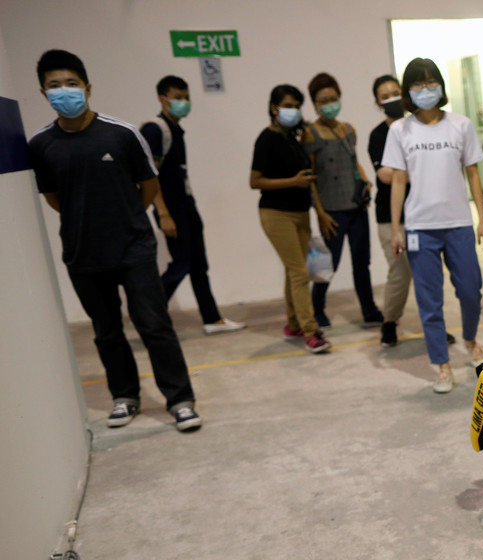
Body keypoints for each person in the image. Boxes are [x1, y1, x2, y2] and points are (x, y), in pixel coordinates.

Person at [27, 50, 201, 431]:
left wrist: (125, 219)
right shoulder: (40, 145)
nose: (64, 92)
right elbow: (55, 198)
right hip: (82, 255)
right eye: (54, 86)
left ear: (87, 87)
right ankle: (125, 397)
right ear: (43, 93)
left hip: (134, 249)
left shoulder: (122, 134)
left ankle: (180, 399)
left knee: (154, 325)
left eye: (71, 84)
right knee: (106, 332)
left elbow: (149, 185)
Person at [383, 58, 483, 393]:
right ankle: (442, 366)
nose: (425, 90)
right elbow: (398, 180)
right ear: (407, 91)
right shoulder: (399, 130)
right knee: (430, 302)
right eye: (417, 84)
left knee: (470, 291)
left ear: (441, 86)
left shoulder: (460, 125)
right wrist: (397, 228)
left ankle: (471, 340)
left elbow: (473, 173)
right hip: (419, 228)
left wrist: (482, 220)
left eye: (431, 83)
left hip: (458, 222)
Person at [140, 75, 245, 336]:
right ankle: (147, 316)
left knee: (199, 265)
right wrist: (163, 213)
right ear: (162, 99)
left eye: (186, 97)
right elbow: (148, 176)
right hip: (171, 208)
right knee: (181, 264)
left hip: (187, 205)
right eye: (178, 98)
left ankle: (213, 319)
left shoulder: (176, 130)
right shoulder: (156, 129)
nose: (184, 102)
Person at [249, 84, 335, 353]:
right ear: (274, 108)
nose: (293, 110)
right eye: (288, 105)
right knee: (299, 272)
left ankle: (293, 324)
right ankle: (311, 331)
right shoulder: (266, 139)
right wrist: (292, 181)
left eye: (297, 105)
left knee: (294, 271)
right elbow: (255, 181)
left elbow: (306, 179)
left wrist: (318, 210)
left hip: (300, 213)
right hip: (277, 214)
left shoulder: (292, 139)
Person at [303, 72, 384, 330]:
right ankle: (317, 309)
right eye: (323, 100)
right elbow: (311, 177)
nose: (329, 103)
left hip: (356, 207)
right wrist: (320, 213)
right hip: (332, 211)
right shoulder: (310, 133)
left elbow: (354, 162)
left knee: (362, 263)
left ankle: (369, 310)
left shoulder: (348, 129)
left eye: (333, 98)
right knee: (329, 264)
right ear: (314, 103)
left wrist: (365, 180)